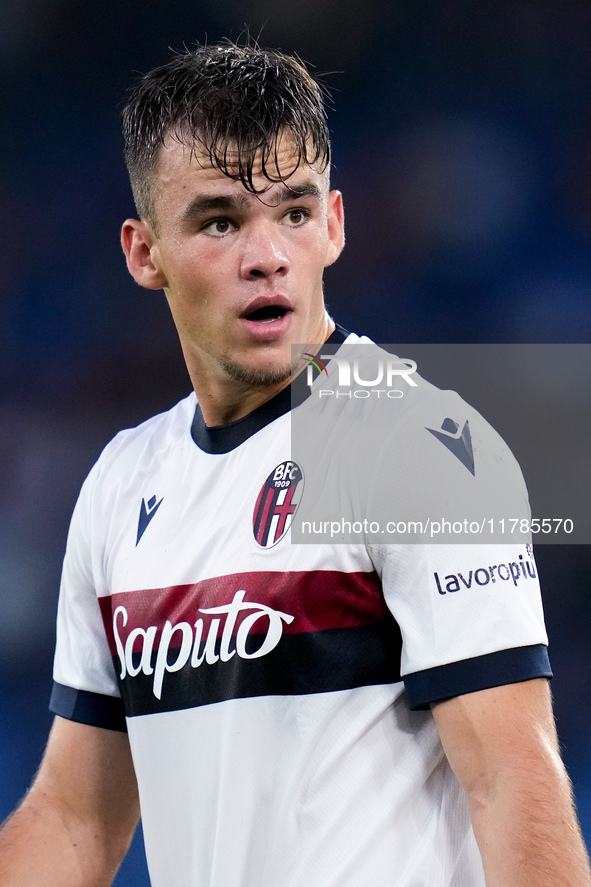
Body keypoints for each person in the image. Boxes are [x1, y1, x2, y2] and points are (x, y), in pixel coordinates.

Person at [0, 41, 589, 887]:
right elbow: (74, 816)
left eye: (294, 212)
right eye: (218, 221)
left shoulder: (413, 447)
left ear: (336, 225)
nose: (266, 254)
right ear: (143, 253)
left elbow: (511, 778)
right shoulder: (123, 481)